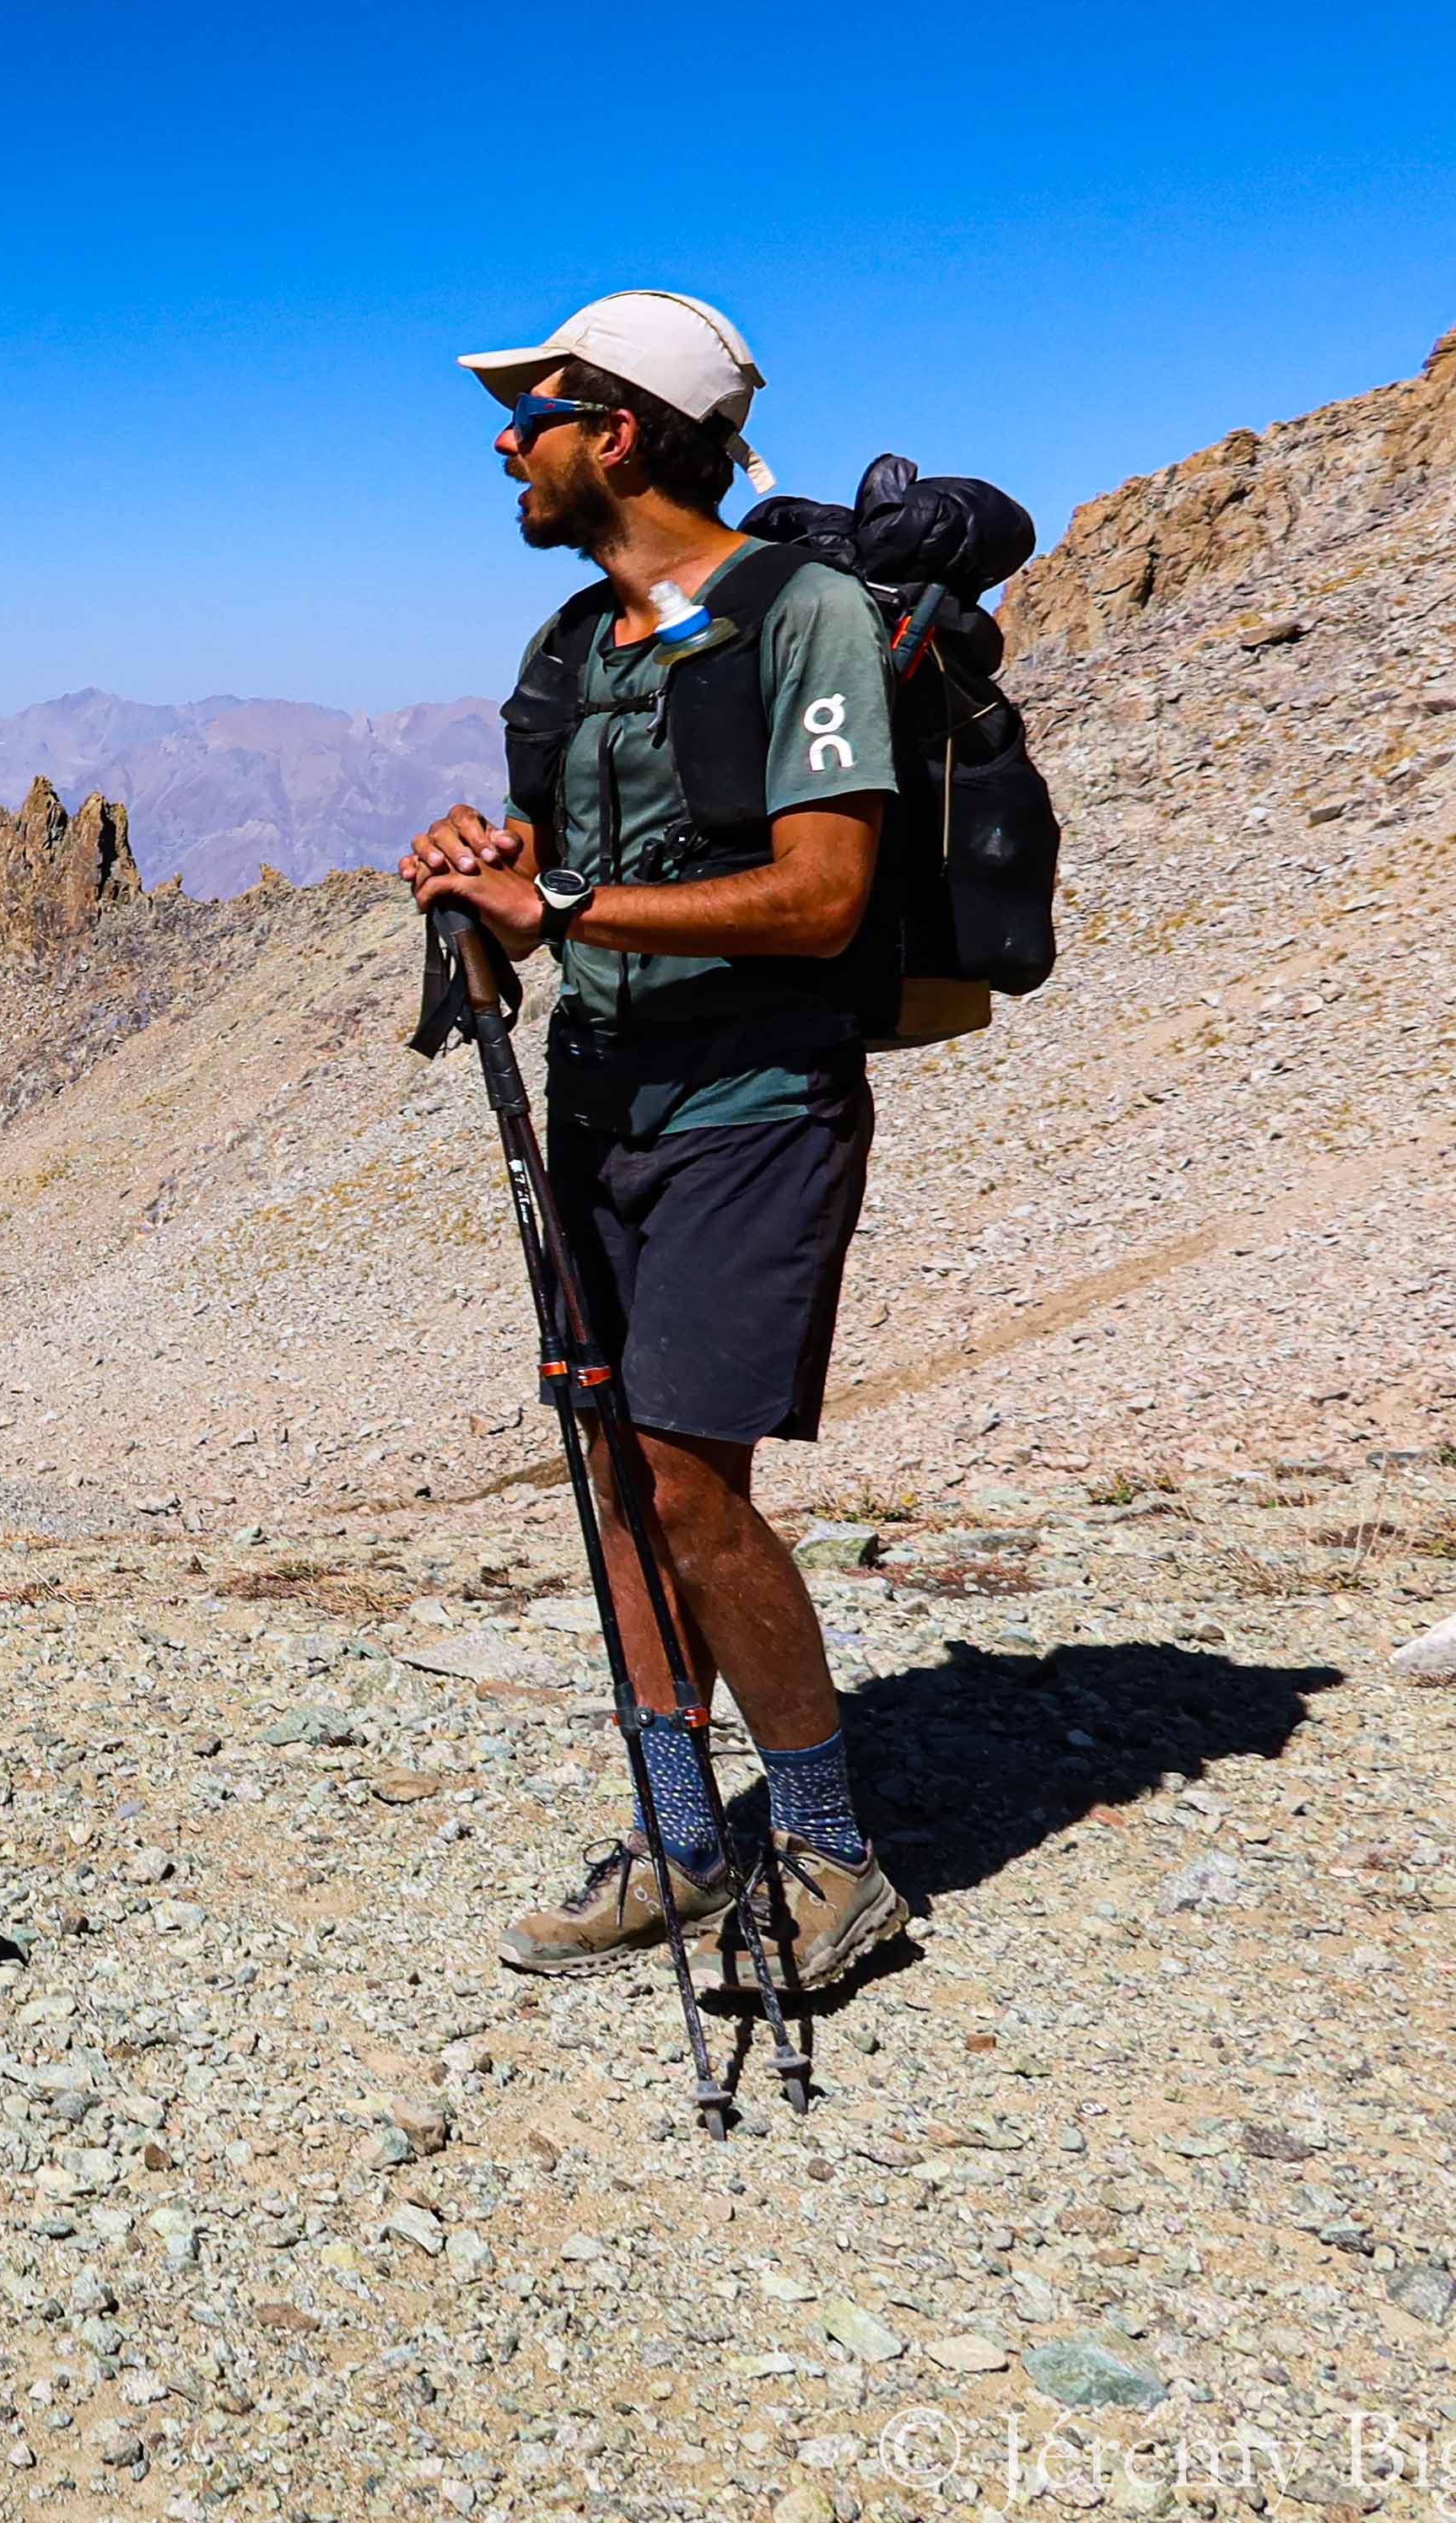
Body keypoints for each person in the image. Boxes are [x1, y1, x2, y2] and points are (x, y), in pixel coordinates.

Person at [399, 289, 909, 1995]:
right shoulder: (570, 647)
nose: (503, 441)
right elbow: (529, 920)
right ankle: (689, 1842)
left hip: (755, 1108)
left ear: (614, 432)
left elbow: (830, 896)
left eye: (532, 412)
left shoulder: (804, 613)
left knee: (690, 1479)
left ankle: (833, 1854)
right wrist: (480, 895)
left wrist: (558, 896)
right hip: (598, 1107)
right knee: (617, 1473)